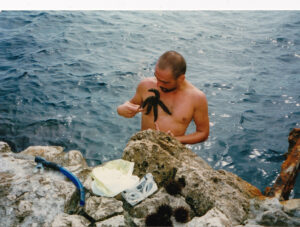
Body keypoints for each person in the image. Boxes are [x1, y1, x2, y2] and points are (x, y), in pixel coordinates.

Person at [117, 51, 209, 144]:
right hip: (143, 146)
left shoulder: (196, 98)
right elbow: (129, 106)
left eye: (165, 82)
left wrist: (175, 140)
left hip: (172, 151)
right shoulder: (146, 85)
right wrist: (121, 110)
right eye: (156, 77)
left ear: (181, 78)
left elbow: (203, 133)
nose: (158, 84)